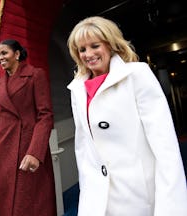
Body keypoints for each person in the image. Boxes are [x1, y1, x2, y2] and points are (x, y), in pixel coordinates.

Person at [67, 16, 187, 216]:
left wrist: (170, 207)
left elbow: (164, 145)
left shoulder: (137, 74)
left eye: (95, 46)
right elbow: (83, 149)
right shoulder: (77, 88)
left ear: (110, 44)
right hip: (98, 196)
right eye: (82, 49)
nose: (88, 54)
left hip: (137, 195)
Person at [0, 39, 56, 216]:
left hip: (29, 150)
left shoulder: (35, 75)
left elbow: (45, 116)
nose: (0, 58)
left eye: (4, 53)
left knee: (32, 205)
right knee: (5, 205)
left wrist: (35, 152)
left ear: (17, 54)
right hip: (5, 153)